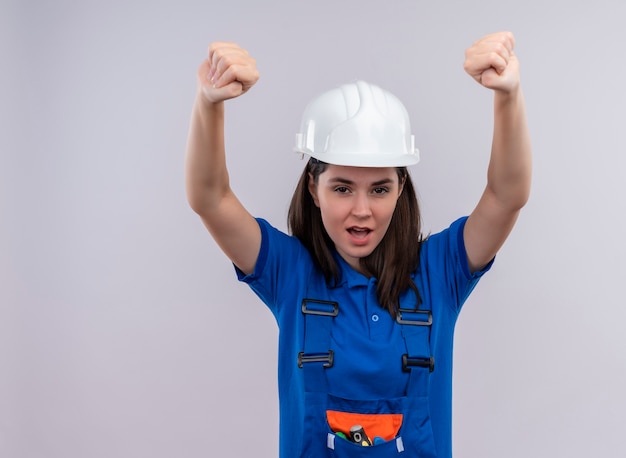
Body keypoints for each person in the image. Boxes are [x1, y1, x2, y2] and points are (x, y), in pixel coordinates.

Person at [185, 31, 531, 458]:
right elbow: (210, 198)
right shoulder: (289, 273)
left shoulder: (439, 272)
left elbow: (505, 196)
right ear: (314, 188)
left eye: (380, 189)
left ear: (401, 188)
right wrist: (209, 103)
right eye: (343, 189)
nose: (362, 210)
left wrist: (508, 95)